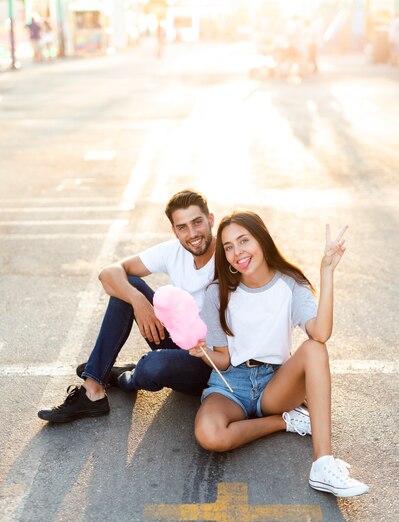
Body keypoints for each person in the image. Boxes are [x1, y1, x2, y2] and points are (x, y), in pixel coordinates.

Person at [189, 211, 369, 498]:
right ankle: (286, 421)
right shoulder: (218, 292)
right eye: (229, 247)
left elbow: (320, 333)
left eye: (243, 241)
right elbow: (222, 359)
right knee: (210, 435)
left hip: (275, 384)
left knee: (314, 348)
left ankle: (323, 464)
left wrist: (327, 271)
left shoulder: (290, 283)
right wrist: (204, 353)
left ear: (261, 240)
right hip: (231, 384)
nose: (237, 252)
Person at [38, 190, 215, 424]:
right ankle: (93, 390)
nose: (192, 233)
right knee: (128, 284)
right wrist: (137, 299)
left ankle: (126, 377)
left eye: (197, 222)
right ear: (174, 231)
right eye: (182, 227)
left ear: (210, 219)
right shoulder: (174, 251)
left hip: (211, 361)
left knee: (152, 367)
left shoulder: (229, 253)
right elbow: (108, 273)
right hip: (180, 341)